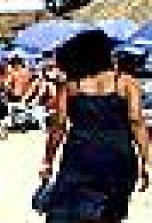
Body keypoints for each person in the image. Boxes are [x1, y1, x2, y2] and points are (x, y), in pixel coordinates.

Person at [40, 30, 149, 222]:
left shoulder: (72, 84)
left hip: (80, 155)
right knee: (110, 213)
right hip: (118, 155)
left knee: (67, 211)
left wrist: (48, 160)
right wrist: (146, 161)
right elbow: (136, 121)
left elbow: (59, 125)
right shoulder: (126, 83)